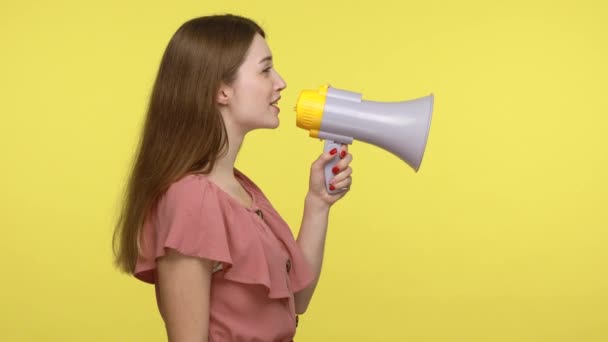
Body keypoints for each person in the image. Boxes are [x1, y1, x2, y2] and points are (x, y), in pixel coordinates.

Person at [112, 14, 353, 342]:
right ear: (221, 90)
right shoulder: (192, 200)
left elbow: (297, 300)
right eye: (265, 69)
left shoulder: (242, 191)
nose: (280, 82)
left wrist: (318, 204)